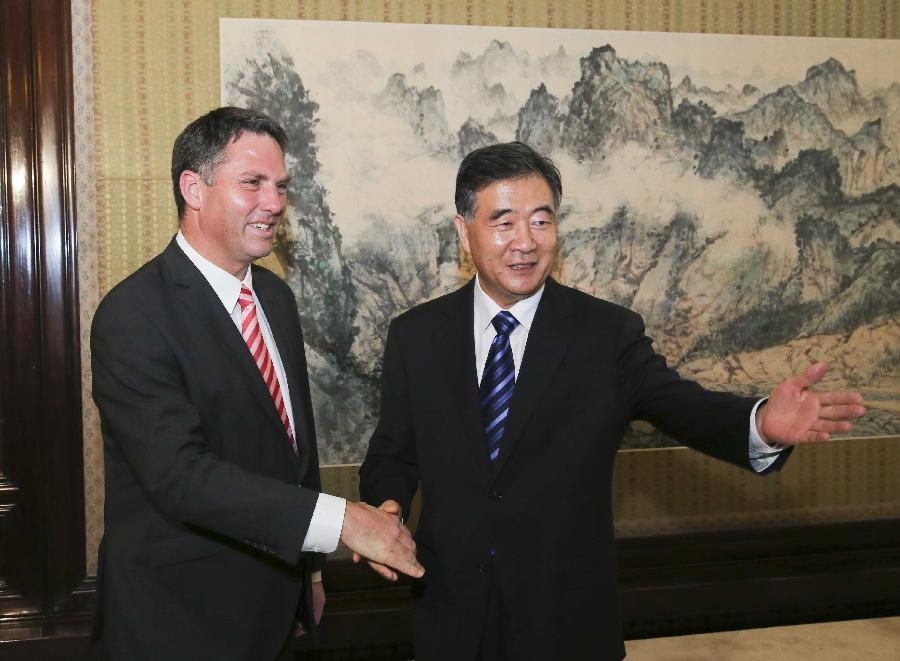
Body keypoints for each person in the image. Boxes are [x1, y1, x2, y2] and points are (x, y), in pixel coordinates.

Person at [358, 142, 866, 661]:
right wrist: (387, 505)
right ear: (464, 231)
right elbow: (393, 452)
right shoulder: (415, 336)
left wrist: (759, 423)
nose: (525, 243)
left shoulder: (606, 334)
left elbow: (682, 405)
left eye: (541, 221)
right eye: (504, 222)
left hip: (566, 625)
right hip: (452, 620)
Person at [89, 107, 423, 661]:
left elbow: (294, 452)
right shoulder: (133, 314)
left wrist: (309, 573)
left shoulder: (274, 297)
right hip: (177, 621)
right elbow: (181, 477)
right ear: (193, 188)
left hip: (273, 608)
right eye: (253, 183)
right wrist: (342, 522)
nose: (275, 203)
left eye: (281, 186)